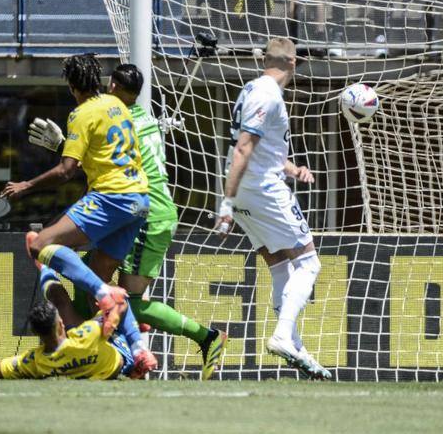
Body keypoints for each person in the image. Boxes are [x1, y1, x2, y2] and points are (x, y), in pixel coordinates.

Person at [28, 64, 228, 380]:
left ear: (112, 86)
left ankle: (205, 337)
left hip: (146, 214)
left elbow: (101, 167)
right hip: (145, 208)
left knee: (123, 300)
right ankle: (118, 349)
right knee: (93, 285)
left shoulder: (112, 115)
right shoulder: (136, 115)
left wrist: (62, 147)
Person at [1, 53, 158, 377]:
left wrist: (26, 185)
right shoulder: (118, 106)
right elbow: (103, 156)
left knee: (40, 244)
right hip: (140, 201)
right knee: (99, 277)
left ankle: (105, 297)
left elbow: (65, 171)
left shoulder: (82, 113)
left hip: (112, 196)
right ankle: (139, 350)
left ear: (72, 86)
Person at [215, 37, 331, 380]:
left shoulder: (253, 88)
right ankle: (282, 335)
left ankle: (294, 343)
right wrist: (226, 202)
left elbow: (263, 149)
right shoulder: (268, 95)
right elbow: (243, 148)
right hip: (261, 191)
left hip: (248, 192)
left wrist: (292, 169)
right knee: (309, 263)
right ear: (293, 63)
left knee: (280, 264)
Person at [0, 267, 138, 380]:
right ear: (61, 324)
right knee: (95, 295)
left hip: (86, 366)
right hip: (122, 358)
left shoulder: (34, 361)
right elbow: (120, 302)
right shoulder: (87, 335)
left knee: (61, 301)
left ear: (36, 333)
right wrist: (110, 315)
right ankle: (47, 264)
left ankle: (45, 266)